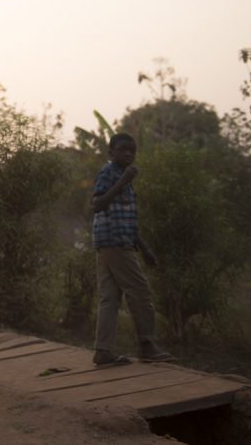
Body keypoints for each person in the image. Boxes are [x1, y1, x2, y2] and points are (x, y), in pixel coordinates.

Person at [91, 133, 176, 366]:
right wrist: (122, 182)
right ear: (111, 153)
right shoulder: (110, 173)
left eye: (132, 150)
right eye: (122, 149)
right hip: (114, 242)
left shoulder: (123, 178)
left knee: (109, 298)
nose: (128, 153)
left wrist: (145, 250)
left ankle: (103, 351)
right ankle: (147, 345)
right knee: (140, 291)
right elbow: (97, 204)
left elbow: (127, 221)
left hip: (114, 242)